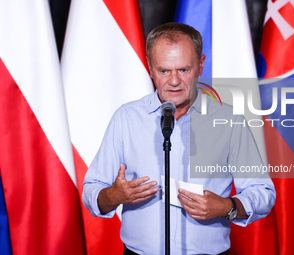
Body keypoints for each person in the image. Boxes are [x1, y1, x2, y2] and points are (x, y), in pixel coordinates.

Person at [83, 22, 276, 255]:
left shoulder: (230, 121)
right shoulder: (126, 118)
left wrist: (227, 207)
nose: (174, 81)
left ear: (201, 65)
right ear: (150, 68)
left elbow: (263, 192)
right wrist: (113, 196)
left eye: (183, 70)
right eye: (164, 71)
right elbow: (92, 190)